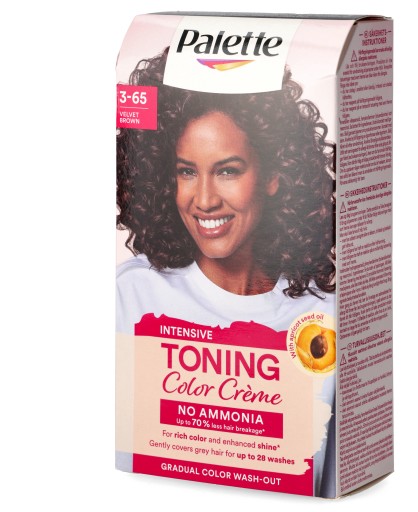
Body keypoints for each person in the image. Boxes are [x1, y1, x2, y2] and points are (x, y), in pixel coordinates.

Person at [116, 47, 336, 496]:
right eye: (186, 171)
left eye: (228, 171)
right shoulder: (132, 295)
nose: (204, 200)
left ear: (272, 175)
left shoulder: (327, 317)